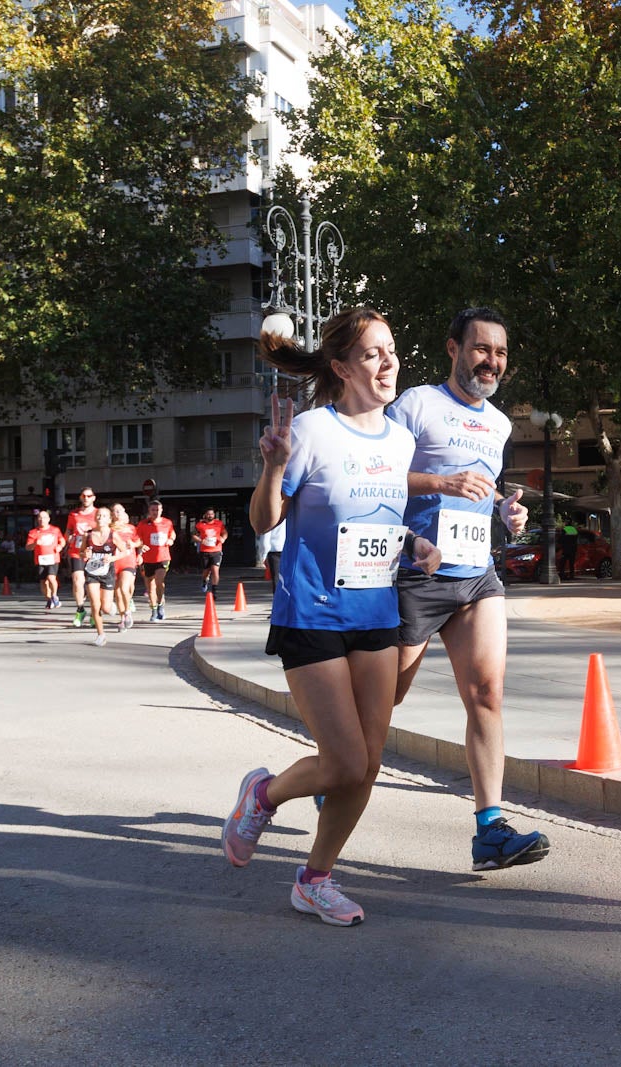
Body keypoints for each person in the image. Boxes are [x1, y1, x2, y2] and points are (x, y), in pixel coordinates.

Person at [222, 307, 440, 927]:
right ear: (342, 368)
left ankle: (314, 879)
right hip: (312, 612)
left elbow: (378, 520)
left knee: (367, 764)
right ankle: (261, 795)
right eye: (372, 354)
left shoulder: (400, 438)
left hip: (376, 613)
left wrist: (414, 546)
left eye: (392, 350)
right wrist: (271, 466)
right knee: (343, 761)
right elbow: (264, 523)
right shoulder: (313, 431)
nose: (388, 362)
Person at [389, 307, 549, 871]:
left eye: (501, 353)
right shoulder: (416, 404)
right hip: (417, 574)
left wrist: (507, 509)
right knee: (385, 698)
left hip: (476, 572)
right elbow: (377, 472)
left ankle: (490, 830)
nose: (492, 362)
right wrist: (442, 482)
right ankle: (334, 769)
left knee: (487, 694)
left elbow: (483, 492)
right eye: (482, 349)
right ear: (453, 349)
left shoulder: (501, 423)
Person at [80, 507, 120, 647]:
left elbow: (125, 551)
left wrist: (112, 558)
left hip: (107, 573)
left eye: (104, 516)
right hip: (91, 573)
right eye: (98, 515)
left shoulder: (113, 535)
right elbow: (81, 552)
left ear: (109, 520)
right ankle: (100, 634)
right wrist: (85, 554)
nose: (100, 518)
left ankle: (111, 607)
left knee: (106, 608)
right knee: (95, 605)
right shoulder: (88, 535)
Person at [134, 499, 176, 622]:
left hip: (163, 557)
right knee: (150, 586)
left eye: (158, 510)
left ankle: (161, 605)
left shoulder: (167, 523)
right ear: (149, 511)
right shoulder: (142, 524)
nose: (155, 512)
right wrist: (141, 546)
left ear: (161, 510)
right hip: (147, 559)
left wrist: (171, 540)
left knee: (159, 581)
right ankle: (154, 610)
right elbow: (137, 539)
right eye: (153, 510)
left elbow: (172, 534)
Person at [64, 488, 99, 627]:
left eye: (89, 496)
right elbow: (68, 531)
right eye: (83, 496)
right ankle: (80, 610)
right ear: (80, 497)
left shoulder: (98, 514)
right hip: (77, 551)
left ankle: (94, 613)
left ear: (93, 498)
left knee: (92, 585)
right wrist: (68, 538)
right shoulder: (74, 514)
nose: (86, 498)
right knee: (78, 581)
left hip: (94, 553)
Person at [110, 502, 142, 630]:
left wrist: (133, 545)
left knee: (124, 587)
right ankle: (123, 617)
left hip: (128, 560)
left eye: (120, 511)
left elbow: (139, 541)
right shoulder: (109, 528)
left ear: (124, 513)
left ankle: (127, 610)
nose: (118, 513)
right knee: (117, 591)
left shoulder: (131, 528)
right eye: (115, 511)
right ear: (112, 514)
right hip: (113, 561)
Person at [27, 510, 66, 610]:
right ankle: (49, 599)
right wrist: (35, 543)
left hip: (53, 558)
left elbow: (62, 541)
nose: (42, 520)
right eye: (40, 517)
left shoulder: (55, 530)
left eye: (44, 517)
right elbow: (28, 547)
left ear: (48, 519)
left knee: (51, 578)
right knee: (43, 582)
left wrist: (60, 547)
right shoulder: (33, 532)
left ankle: (55, 596)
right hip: (40, 560)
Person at [193, 508, 228, 595]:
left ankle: (214, 590)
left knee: (215, 570)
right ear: (205, 515)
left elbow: (225, 533)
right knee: (206, 571)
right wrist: (200, 541)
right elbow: (194, 535)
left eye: (212, 514)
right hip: (205, 551)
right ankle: (205, 580)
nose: (210, 516)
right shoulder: (200, 525)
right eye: (208, 514)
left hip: (216, 550)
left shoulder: (219, 523)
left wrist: (223, 538)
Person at [259, 519, 285, 585]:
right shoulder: (291, 515)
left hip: (275, 551)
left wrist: (263, 555)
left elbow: (265, 537)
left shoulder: (272, 516)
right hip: (289, 549)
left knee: (277, 580)